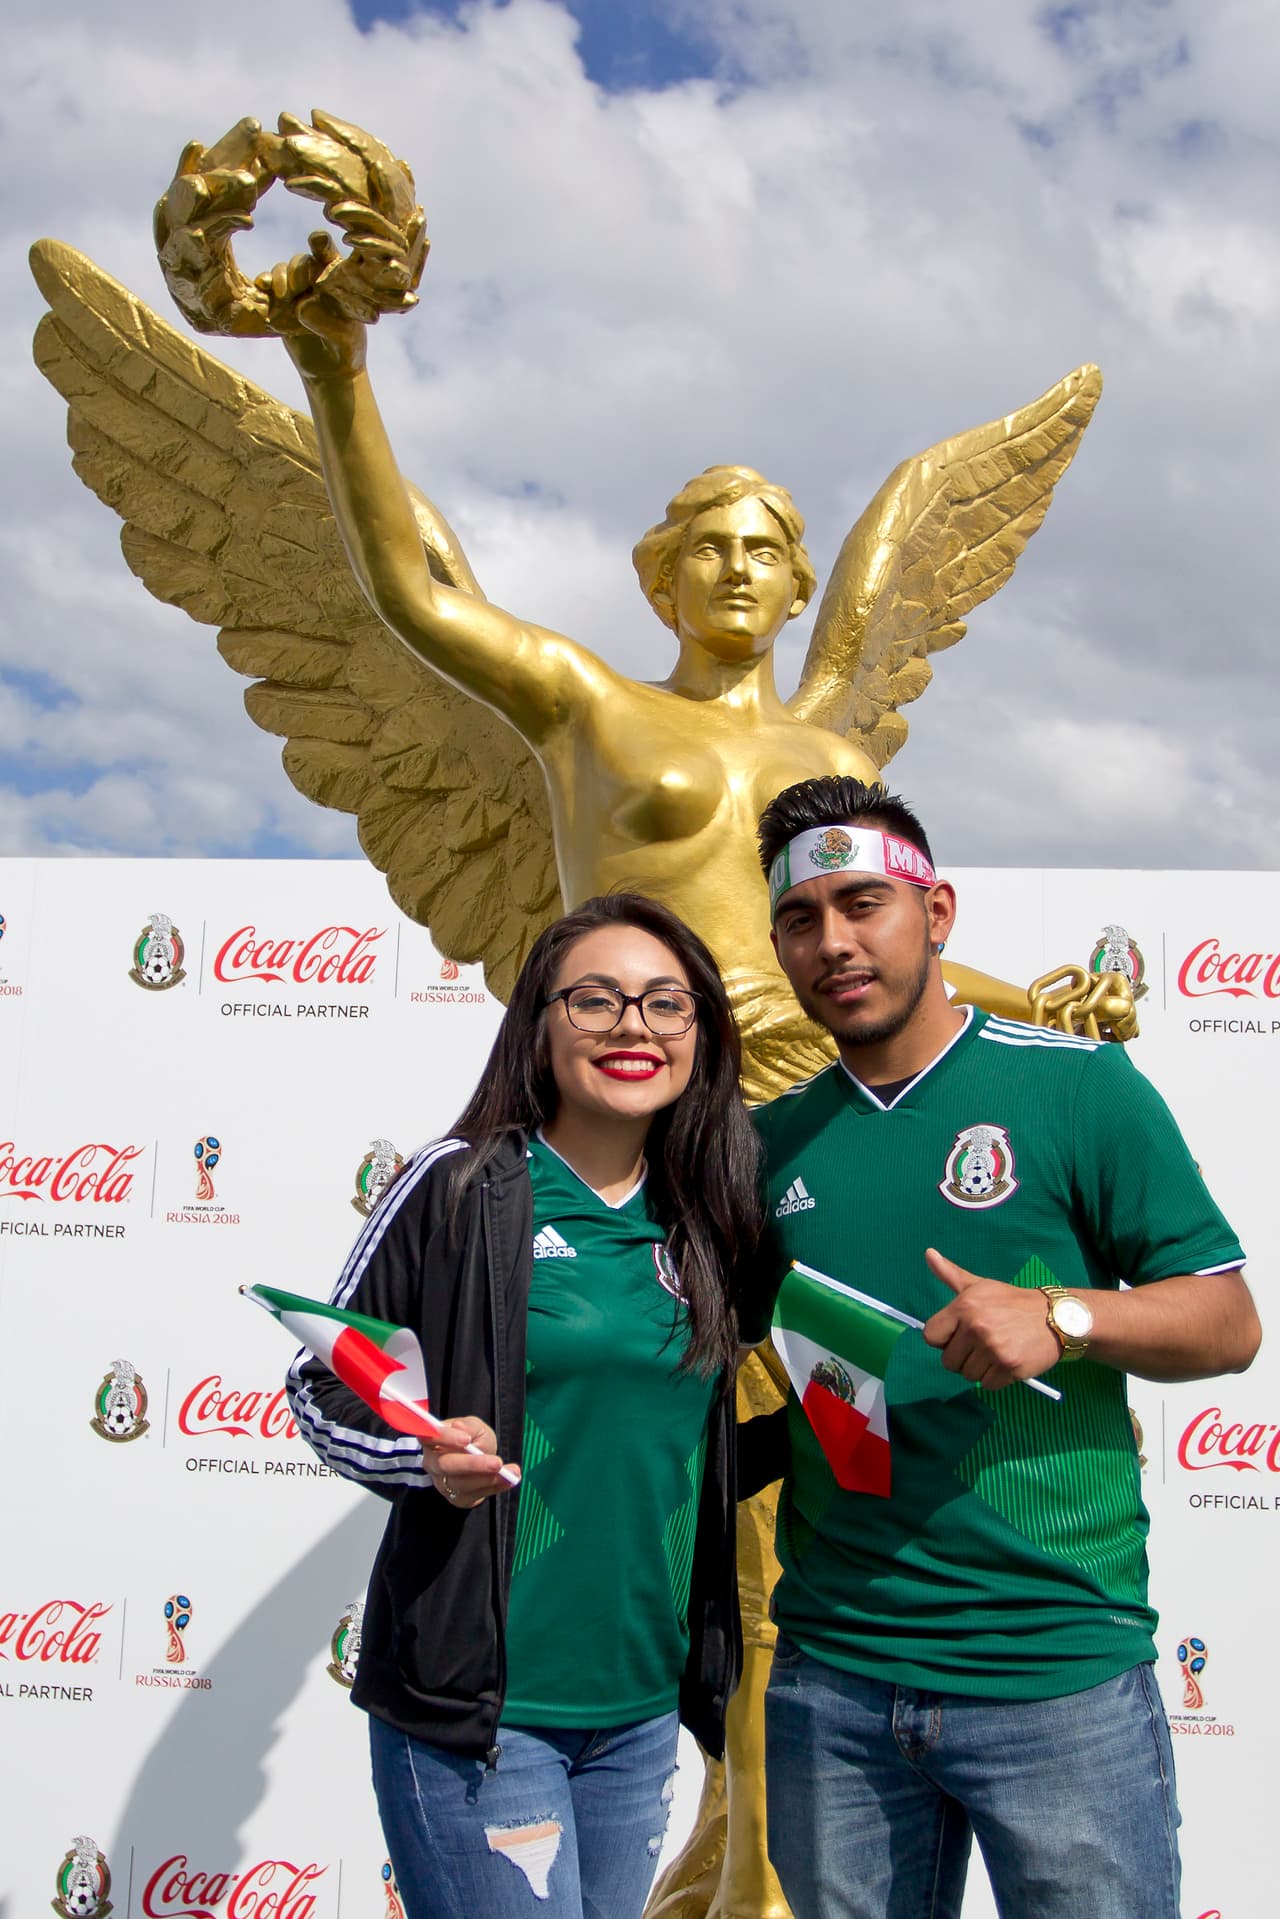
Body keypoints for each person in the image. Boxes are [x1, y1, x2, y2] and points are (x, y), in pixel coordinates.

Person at [741, 775, 1261, 1919]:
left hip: (1052, 1672)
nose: (832, 940)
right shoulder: (763, 1143)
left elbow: (1226, 1322)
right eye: (799, 917)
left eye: (863, 901)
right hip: (833, 1674)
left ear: (936, 913)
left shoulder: (1075, 1085)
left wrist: (1065, 1314)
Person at [286, 893, 763, 1919]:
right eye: (594, 999)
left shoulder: (707, 1217)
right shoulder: (457, 1185)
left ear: (699, 1033)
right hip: (484, 1720)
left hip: (638, 1718)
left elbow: (692, 1446)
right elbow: (322, 1381)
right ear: (539, 1023)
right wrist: (424, 1458)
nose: (631, 1025)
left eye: (664, 1003)